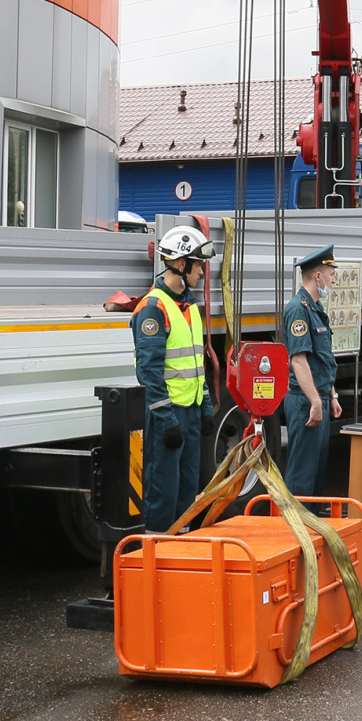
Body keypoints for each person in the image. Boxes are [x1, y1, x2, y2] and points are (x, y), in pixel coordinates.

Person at [131, 226, 219, 532]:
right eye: (199, 265)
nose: (203, 272)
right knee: (163, 493)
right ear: (180, 265)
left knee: (186, 493)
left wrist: (206, 407)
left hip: (191, 412)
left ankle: (183, 553)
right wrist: (167, 418)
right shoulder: (154, 308)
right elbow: (149, 372)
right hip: (168, 415)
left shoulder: (189, 305)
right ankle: (156, 558)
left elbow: (198, 362)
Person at [281, 245, 344, 496]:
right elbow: (299, 361)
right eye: (331, 273)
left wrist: (332, 394)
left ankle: (312, 530)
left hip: (317, 397)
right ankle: (296, 532)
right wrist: (315, 400)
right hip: (304, 400)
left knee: (316, 474)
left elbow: (322, 358)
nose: (333, 279)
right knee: (302, 475)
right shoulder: (299, 309)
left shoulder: (316, 309)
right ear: (317, 276)